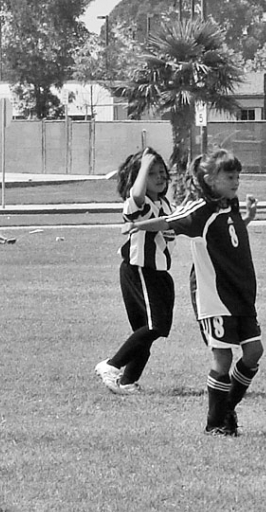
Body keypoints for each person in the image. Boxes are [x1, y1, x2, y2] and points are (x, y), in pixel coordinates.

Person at [123, 149, 260, 436]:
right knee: (222, 358)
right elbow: (169, 222)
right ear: (210, 178)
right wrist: (138, 225)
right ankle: (215, 423)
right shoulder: (199, 210)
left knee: (254, 352)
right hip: (216, 295)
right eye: (229, 176)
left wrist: (247, 218)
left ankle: (226, 410)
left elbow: (225, 235)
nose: (236, 181)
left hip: (242, 292)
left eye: (238, 176)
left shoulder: (229, 203)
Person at [95, 148, 175, 395]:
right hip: (140, 270)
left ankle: (127, 381)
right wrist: (143, 167)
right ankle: (111, 365)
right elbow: (137, 195)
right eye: (151, 173)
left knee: (148, 331)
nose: (159, 177)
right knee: (154, 326)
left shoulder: (164, 203)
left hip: (159, 272)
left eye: (161, 172)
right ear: (138, 177)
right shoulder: (138, 203)